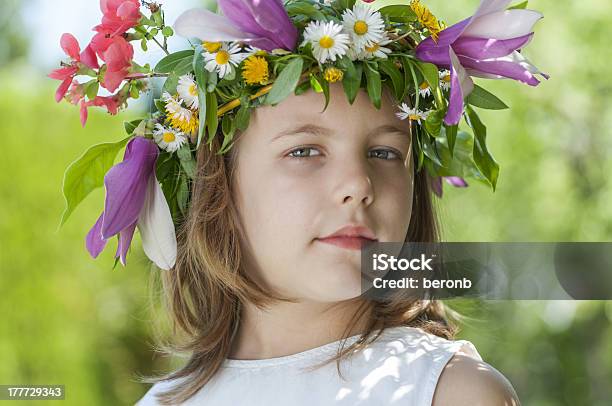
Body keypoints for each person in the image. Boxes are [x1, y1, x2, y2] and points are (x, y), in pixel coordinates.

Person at [135, 83, 520, 406]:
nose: (358, 184)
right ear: (213, 185)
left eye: (385, 153)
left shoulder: (452, 393)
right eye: (304, 151)